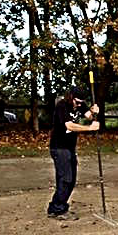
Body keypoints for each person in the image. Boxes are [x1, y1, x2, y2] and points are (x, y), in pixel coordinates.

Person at [47, 90, 99, 219]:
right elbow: (69, 126)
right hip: (59, 147)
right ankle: (57, 209)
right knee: (65, 178)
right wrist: (89, 128)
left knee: (72, 179)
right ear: (71, 98)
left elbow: (89, 116)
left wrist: (94, 112)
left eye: (82, 103)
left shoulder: (80, 105)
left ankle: (59, 206)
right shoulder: (62, 106)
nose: (80, 105)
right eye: (78, 102)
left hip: (70, 147)